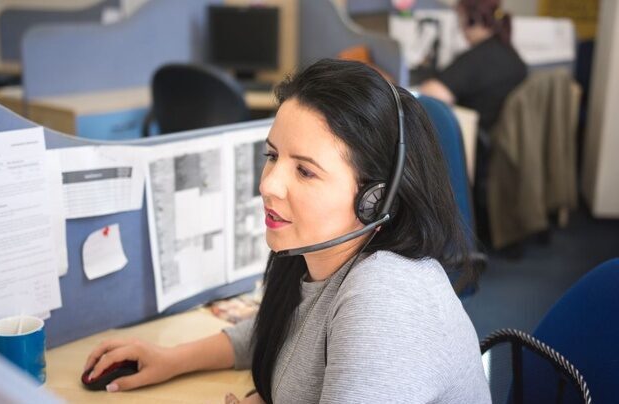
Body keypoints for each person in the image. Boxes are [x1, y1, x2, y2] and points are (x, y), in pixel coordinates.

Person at [83, 59, 491, 403]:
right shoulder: (312, 251)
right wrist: (171, 357)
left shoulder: (385, 296)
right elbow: (276, 334)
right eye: (272, 156)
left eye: (305, 171)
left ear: (375, 198)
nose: (268, 185)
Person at [419, 0, 527, 132]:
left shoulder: (477, 58)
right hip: (502, 141)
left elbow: (430, 94)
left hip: (475, 143)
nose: (459, 26)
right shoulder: (511, 55)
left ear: (472, 20)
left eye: (461, 18)